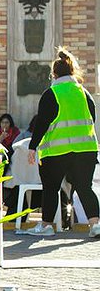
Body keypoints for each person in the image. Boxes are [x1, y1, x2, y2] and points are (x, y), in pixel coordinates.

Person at [27, 48, 100, 238]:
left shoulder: (51, 93)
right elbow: (92, 118)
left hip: (56, 152)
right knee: (85, 187)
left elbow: (41, 123)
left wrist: (32, 147)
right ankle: (95, 225)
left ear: (54, 74)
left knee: (51, 188)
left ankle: (46, 226)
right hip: (86, 149)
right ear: (72, 71)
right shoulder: (84, 94)